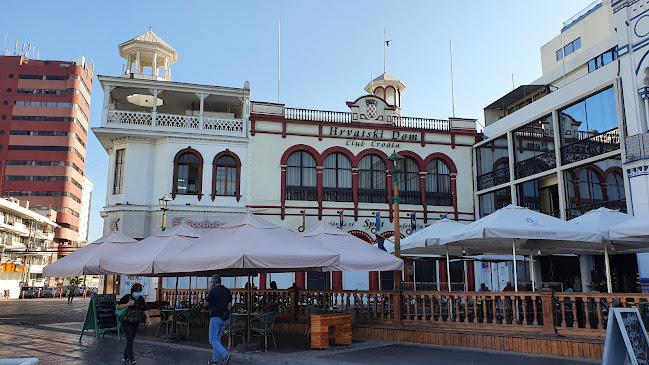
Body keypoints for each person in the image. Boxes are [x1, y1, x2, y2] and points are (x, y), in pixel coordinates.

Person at [117, 283, 151, 365]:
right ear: (132, 291)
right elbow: (117, 307)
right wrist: (128, 304)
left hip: (135, 322)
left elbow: (144, 309)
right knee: (130, 338)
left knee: (130, 339)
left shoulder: (141, 299)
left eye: (139, 291)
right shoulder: (126, 297)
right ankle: (131, 358)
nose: (138, 293)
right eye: (136, 291)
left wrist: (148, 319)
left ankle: (125, 357)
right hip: (126, 321)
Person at [204, 274, 232, 365]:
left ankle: (225, 354)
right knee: (217, 339)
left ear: (213, 282)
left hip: (215, 317)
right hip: (223, 317)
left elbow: (205, 304)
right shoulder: (227, 291)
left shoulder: (213, 291)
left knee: (212, 339)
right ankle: (214, 359)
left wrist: (209, 290)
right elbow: (230, 306)